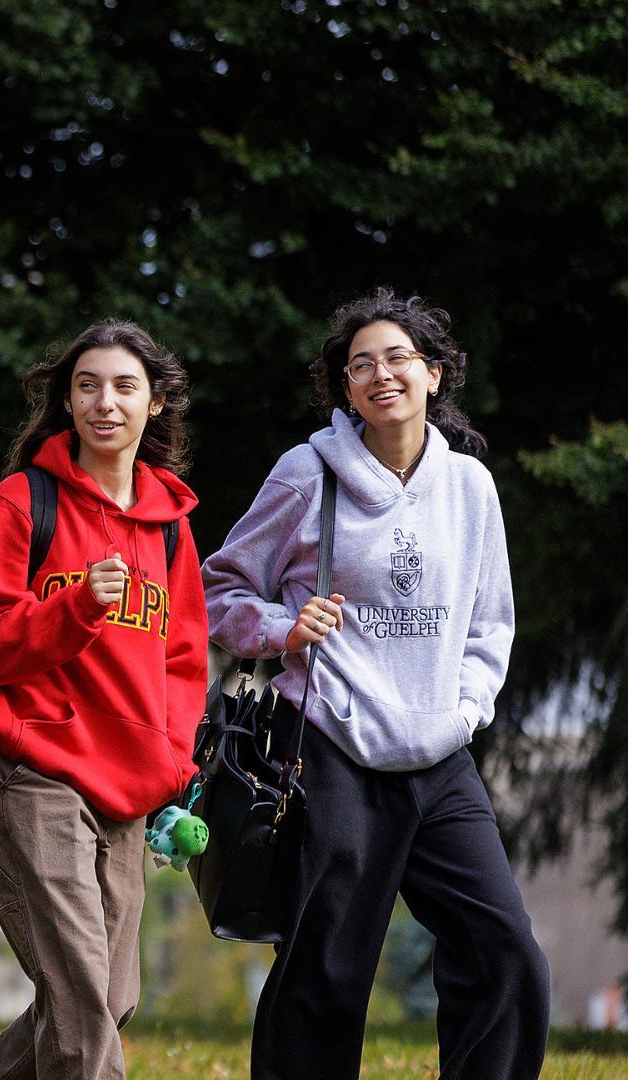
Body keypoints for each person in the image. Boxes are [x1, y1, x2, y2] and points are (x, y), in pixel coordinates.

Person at [204, 289, 548, 1079]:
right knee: (326, 964)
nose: (379, 374)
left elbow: (489, 622)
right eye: (360, 365)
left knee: (504, 947)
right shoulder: (305, 474)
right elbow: (217, 592)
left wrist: (465, 710)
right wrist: (283, 629)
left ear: (433, 373)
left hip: (440, 754)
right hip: (330, 748)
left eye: (397, 359)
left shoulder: (470, 487)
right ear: (347, 389)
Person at [0, 320, 208, 1079]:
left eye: (125, 387)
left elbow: (184, 663)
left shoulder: (170, 530)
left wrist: (171, 760)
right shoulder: (21, 502)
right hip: (35, 772)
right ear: (65, 399)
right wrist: (73, 610)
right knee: (85, 1004)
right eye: (87, 385)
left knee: (108, 997)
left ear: (155, 403)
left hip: (129, 789)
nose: (105, 403)